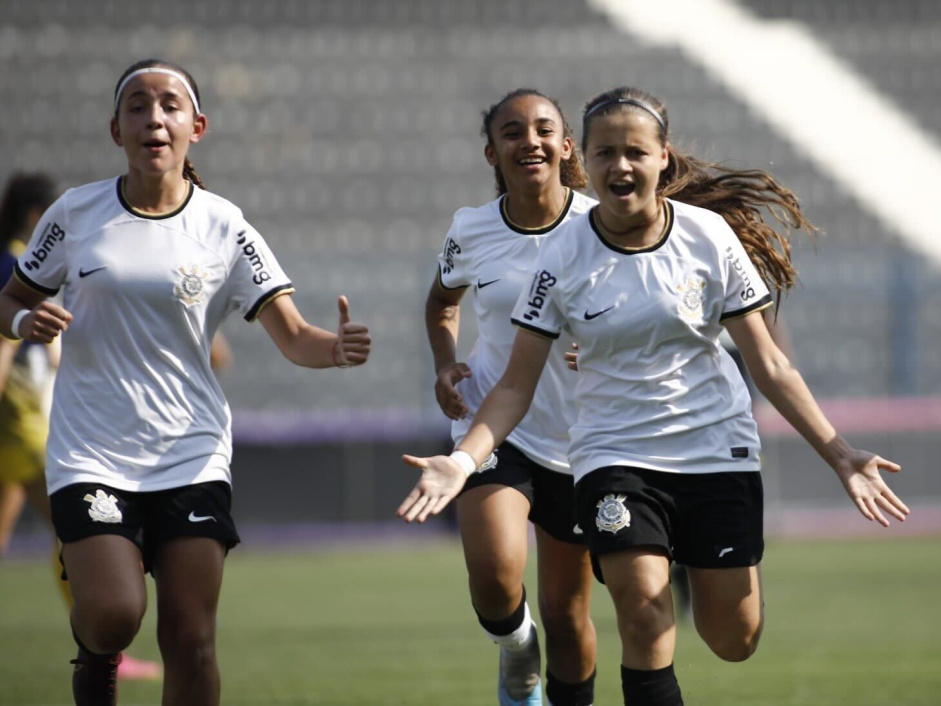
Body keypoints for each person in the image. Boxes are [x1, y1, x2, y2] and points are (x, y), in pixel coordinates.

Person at [398, 86, 909, 706]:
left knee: (734, 638)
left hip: (713, 450)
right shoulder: (559, 259)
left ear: (662, 157)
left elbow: (769, 364)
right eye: (605, 152)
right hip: (612, 454)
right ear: (585, 157)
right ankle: (524, 654)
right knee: (642, 615)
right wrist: (460, 460)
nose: (620, 165)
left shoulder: (710, 237)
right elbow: (513, 384)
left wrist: (842, 454)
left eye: (634, 151)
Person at [0, 59, 371, 706]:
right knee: (115, 614)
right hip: (92, 452)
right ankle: (95, 659)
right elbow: (8, 301)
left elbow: (292, 335)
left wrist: (335, 350)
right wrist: (27, 318)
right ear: (116, 129)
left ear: (195, 126)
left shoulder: (225, 225)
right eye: (137, 106)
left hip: (191, 454)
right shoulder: (74, 212)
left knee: (193, 641)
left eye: (169, 105)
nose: (153, 118)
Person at [427, 89, 597, 706]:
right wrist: (447, 364)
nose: (530, 140)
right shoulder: (471, 228)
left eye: (544, 128)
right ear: (492, 151)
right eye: (512, 131)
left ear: (566, 144)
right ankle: (516, 650)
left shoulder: (599, 225)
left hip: (581, 439)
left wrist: (599, 349)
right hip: (494, 424)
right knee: (498, 580)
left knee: (568, 613)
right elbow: (443, 301)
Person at [0, 173, 165, 680]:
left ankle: (103, 642)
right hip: (22, 422)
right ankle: (105, 647)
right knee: (84, 531)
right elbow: (6, 339)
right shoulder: (16, 262)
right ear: (36, 217)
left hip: (20, 422)